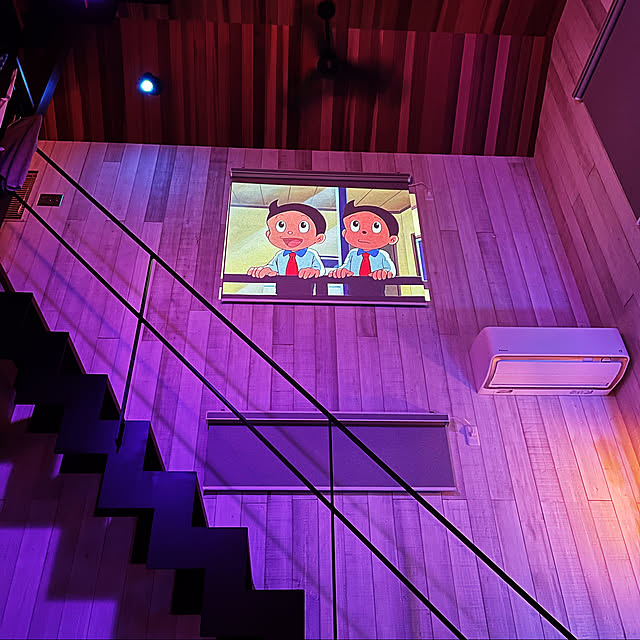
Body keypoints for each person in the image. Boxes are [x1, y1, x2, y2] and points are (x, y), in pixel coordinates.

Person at [248, 200, 327, 278]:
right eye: (281, 225)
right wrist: (265, 271)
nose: (290, 232)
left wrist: (313, 271)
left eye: (303, 226)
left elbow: (320, 270)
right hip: (281, 286)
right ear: (269, 234)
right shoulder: (280, 255)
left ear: (319, 238)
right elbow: (272, 267)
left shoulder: (311, 254)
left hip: (306, 285)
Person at [328, 200, 398, 280]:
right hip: (354, 286)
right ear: (344, 233)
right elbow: (345, 267)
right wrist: (341, 271)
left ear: (392, 239)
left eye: (376, 226)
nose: (364, 231)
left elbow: (391, 270)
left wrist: (384, 273)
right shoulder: (352, 254)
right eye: (355, 225)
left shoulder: (382, 255)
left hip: (376, 285)